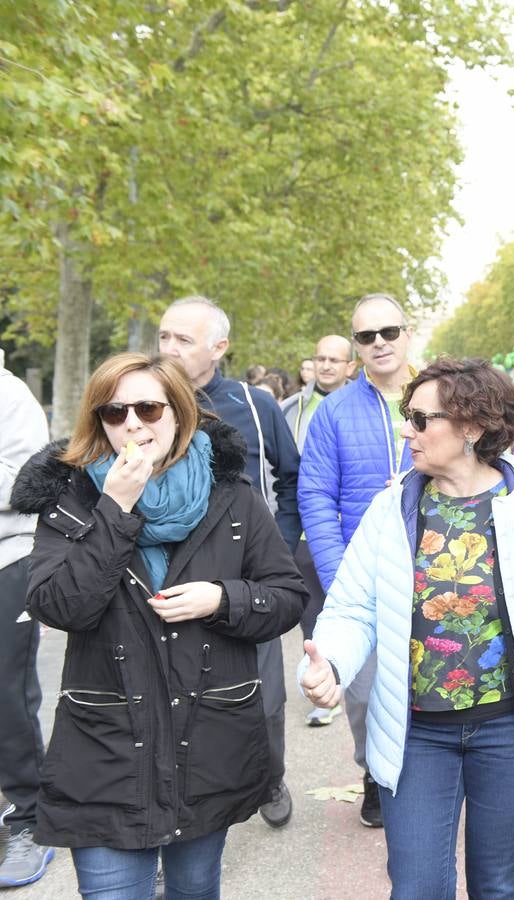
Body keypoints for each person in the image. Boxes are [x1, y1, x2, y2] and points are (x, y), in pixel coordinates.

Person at [11, 352, 304, 898]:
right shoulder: (72, 499)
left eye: (147, 407)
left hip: (208, 748)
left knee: (195, 888)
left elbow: (287, 598)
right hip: (105, 757)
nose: (132, 424)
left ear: (179, 414)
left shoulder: (233, 496)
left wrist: (222, 599)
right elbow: (60, 606)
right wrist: (116, 508)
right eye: (113, 411)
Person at [300, 357, 514, 900]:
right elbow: (352, 608)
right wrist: (329, 662)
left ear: (473, 428)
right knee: (417, 887)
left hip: (508, 731)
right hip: (417, 733)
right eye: (408, 415)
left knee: (499, 887)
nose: (408, 429)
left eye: (423, 419)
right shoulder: (393, 509)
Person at [158, 295, 300, 829]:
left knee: (261, 697)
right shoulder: (141, 400)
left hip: (245, 582)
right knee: (172, 699)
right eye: (164, 337)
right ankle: (173, 807)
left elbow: (292, 475)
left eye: (184, 340)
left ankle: (269, 776)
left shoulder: (254, 405)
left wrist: (277, 545)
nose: (169, 349)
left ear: (219, 348)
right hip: (162, 577)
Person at [297, 293, 416, 828]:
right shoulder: (334, 411)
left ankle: (425, 775)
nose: (379, 344)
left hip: (438, 570)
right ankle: (374, 772)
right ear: (355, 348)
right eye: (366, 337)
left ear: (406, 333)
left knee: (435, 684)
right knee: (365, 693)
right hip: (363, 578)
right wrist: (337, 574)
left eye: (388, 331)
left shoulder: (440, 395)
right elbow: (315, 497)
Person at [0, 349, 53, 889]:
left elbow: (24, 484)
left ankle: (30, 817)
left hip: (6, 563)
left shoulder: (10, 396)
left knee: (7, 698)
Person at [281, 334, 353, 724]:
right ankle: (326, 690)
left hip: (351, 530)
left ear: (349, 367)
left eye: (334, 360)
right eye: (320, 358)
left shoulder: (361, 407)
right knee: (313, 613)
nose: (325, 365)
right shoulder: (292, 407)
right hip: (307, 531)